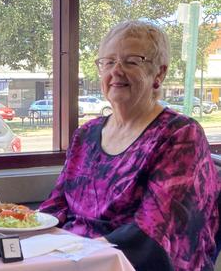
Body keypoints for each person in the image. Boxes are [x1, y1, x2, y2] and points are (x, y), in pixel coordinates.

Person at [39, 20, 219, 271]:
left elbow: (156, 232)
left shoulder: (179, 134)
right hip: (72, 256)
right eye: (108, 62)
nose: (116, 71)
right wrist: (23, 234)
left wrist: (78, 258)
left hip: (121, 263)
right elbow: (56, 204)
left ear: (159, 73)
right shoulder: (86, 134)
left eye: (132, 61)